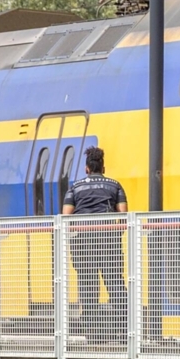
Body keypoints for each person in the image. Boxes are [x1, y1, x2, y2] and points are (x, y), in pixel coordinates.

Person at [62, 147, 128, 343]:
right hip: (108, 241)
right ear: (103, 167)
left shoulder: (75, 187)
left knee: (87, 286)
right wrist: (116, 234)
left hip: (82, 242)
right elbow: (123, 215)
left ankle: (91, 334)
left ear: (86, 169)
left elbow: (66, 216)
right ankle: (124, 331)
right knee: (115, 283)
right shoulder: (115, 185)